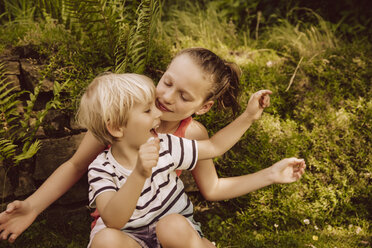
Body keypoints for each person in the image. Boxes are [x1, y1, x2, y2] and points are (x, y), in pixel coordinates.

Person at [0, 48, 306, 244]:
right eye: (167, 82)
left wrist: (268, 172)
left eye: (185, 97)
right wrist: (32, 206)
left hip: (169, 228)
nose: (167, 98)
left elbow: (212, 185)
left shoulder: (186, 136)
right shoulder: (123, 111)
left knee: (172, 227)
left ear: (204, 106)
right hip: (123, 229)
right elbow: (77, 165)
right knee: (107, 240)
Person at [78, 73, 305, 248]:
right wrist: (138, 174)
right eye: (147, 111)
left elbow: (214, 146)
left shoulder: (167, 145)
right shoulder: (101, 169)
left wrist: (248, 116)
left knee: (171, 225)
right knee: (105, 240)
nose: (158, 114)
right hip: (129, 239)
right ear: (117, 127)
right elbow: (114, 221)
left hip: (173, 234)